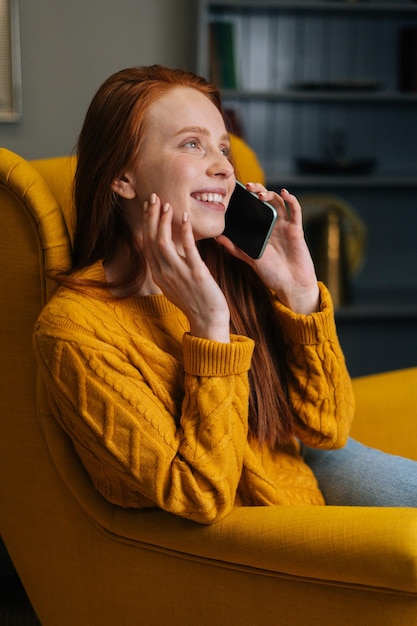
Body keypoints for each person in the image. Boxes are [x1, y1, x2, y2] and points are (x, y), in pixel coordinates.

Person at [33, 65, 416, 524]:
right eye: (192, 144)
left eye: (222, 147)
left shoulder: (233, 268)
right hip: (257, 536)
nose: (222, 166)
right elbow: (199, 496)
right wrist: (210, 327)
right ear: (122, 177)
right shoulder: (74, 331)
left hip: (302, 474)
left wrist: (299, 295)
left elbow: (327, 428)